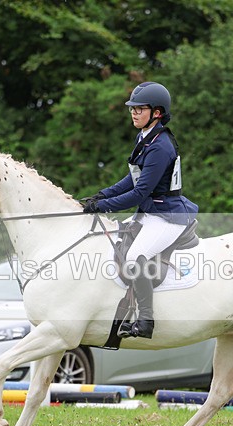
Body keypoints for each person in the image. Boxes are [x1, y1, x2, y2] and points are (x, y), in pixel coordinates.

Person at [82, 81, 199, 339]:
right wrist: (102, 194)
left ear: (157, 112)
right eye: (132, 108)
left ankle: (146, 321)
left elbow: (139, 193)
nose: (133, 113)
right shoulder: (146, 137)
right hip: (151, 212)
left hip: (167, 215)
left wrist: (101, 207)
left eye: (140, 109)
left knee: (135, 258)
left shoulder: (160, 146)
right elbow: (132, 179)